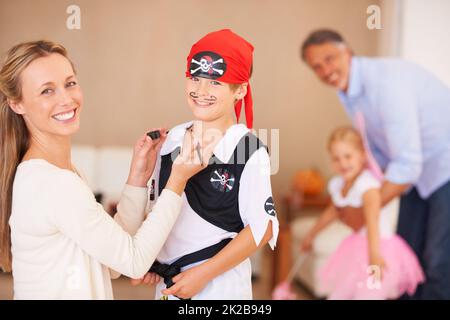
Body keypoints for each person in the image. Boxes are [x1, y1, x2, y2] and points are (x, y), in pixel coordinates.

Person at [0, 40, 204, 299]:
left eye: (70, 83)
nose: (66, 99)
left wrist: (137, 179)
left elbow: (114, 264)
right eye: (47, 91)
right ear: (17, 104)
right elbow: (133, 262)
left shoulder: (64, 173)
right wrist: (178, 180)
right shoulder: (53, 183)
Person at [301, 29, 450, 299]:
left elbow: (407, 161)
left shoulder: (385, 84)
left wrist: (365, 208)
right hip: (416, 177)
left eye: (330, 59)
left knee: (440, 263)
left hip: (442, 169)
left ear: (346, 51)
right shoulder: (348, 93)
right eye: (317, 67)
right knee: (408, 265)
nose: (325, 70)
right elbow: (380, 155)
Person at [143, 29, 279, 300]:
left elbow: (262, 228)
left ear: (240, 90)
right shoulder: (170, 141)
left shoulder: (248, 150)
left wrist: (202, 274)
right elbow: (158, 209)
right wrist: (151, 257)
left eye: (215, 82)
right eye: (195, 78)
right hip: (170, 284)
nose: (201, 90)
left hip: (219, 287)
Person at [301, 127, 424, 299]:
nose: (343, 163)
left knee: (369, 294)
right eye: (336, 159)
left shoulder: (367, 185)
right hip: (357, 247)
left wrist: (374, 257)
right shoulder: (338, 184)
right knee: (340, 293)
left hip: (378, 248)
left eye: (348, 157)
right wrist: (311, 234)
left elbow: (372, 220)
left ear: (362, 156)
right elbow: (331, 212)